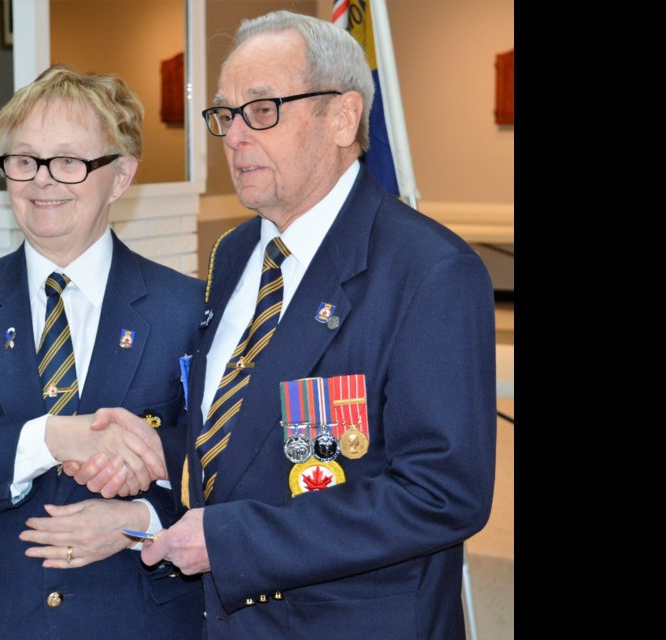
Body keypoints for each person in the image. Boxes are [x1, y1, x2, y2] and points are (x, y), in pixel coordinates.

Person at [68, 11, 497, 639]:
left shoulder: (429, 271)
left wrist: (231, 540)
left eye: (263, 109)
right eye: (224, 115)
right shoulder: (236, 253)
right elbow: (253, 425)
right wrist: (163, 449)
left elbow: (441, 492)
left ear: (344, 118)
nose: (235, 137)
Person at [0, 65, 204, 639]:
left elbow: (233, 466)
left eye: (69, 161)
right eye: (24, 159)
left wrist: (140, 520)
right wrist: (48, 438)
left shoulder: (188, 308)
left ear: (121, 176)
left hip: (137, 616)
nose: (42, 181)